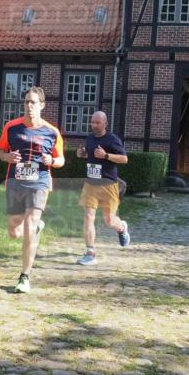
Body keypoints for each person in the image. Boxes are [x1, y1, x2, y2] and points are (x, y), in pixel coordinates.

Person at [0, 86, 65, 293]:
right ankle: (35, 228)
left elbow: (61, 159)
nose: (29, 106)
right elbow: (0, 150)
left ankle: (24, 276)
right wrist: (7, 157)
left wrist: (52, 160)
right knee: (14, 231)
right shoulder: (12, 127)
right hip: (15, 182)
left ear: (42, 105)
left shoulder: (52, 132)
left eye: (33, 102)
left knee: (28, 227)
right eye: (26, 102)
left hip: (40, 182)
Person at [75, 110, 131, 266]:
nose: (93, 125)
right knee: (88, 217)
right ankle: (90, 252)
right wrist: (82, 154)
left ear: (105, 123)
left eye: (97, 122)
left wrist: (106, 156)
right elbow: (91, 155)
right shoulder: (90, 138)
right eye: (92, 122)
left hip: (108, 184)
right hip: (91, 183)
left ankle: (121, 227)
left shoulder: (112, 139)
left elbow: (124, 158)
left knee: (109, 220)